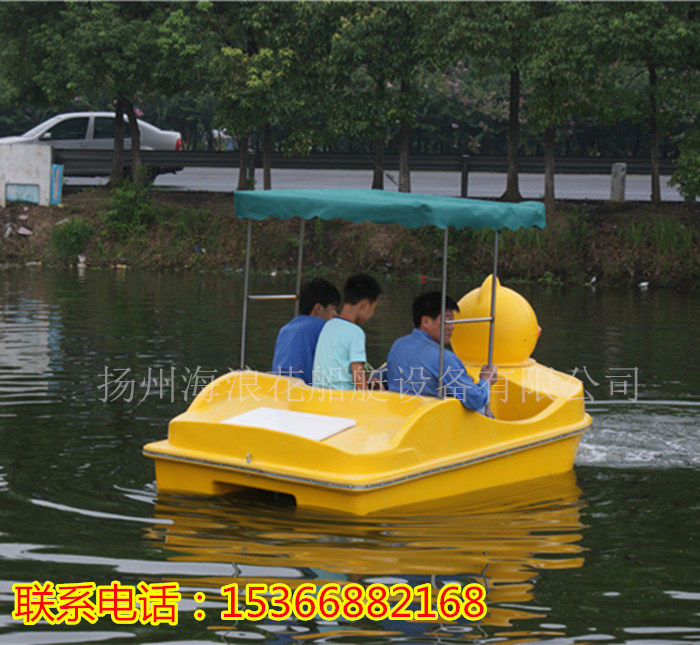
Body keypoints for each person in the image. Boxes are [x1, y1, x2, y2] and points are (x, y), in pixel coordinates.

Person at [385, 291, 497, 412]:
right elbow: (476, 400)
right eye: (447, 320)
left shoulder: (398, 345)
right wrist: (486, 380)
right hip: (430, 418)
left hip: (399, 413)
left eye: (452, 321)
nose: (452, 326)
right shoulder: (444, 358)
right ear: (426, 322)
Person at [312, 274, 381, 390]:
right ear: (364, 306)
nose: (372, 314)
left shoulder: (328, 325)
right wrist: (368, 398)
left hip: (320, 393)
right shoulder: (355, 332)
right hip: (343, 396)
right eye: (373, 309)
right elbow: (357, 375)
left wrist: (368, 379)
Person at [271, 278, 340, 385]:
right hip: (304, 390)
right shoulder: (324, 328)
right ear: (318, 308)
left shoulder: (285, 329)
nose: (335, 314)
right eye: (333, 308)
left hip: (278, 387)